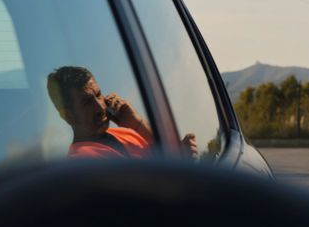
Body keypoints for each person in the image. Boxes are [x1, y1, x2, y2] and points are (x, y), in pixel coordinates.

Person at [47, 66, 197, 158]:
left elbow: (168, 156)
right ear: (68, 116)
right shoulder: (81, 161)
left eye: (98, 95)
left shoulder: (127, 132)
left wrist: (136, 123)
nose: (100, 107)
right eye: (86, 102)